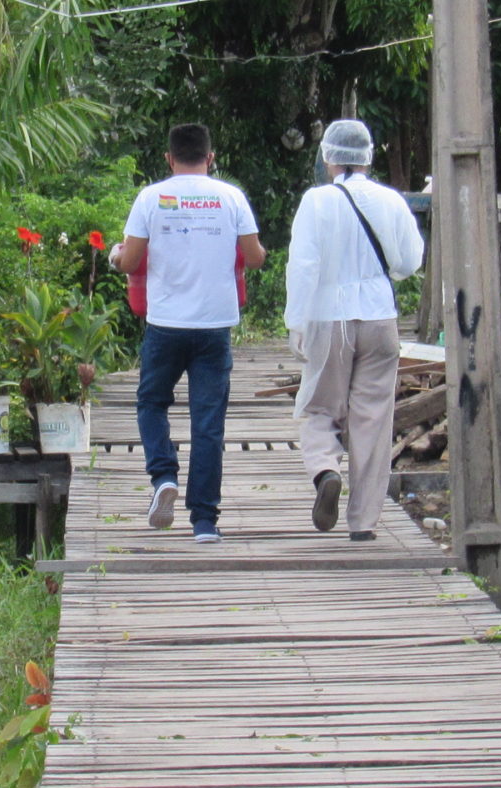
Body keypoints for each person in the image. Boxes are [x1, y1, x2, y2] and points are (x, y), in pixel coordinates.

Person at [111, 124, 264, 544]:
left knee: (151, 402)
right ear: (210, 158)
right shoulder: (232, 197)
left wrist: (115, 256)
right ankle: (204, 521)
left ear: (169, 158)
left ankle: (163, 476)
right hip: (215, 326)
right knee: (208, 422)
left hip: (165, 325)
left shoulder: (151, 198)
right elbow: (253, 259)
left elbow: (130, 262)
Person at [283, 118, 424, 539]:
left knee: (316, 406)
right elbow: (408, 263)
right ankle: (363, 522)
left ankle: (326, 469)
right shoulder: (392, 200)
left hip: (330, 317)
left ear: (327, 156)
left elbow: (303, 266)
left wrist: (297, 322)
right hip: (380, 318)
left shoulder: (316, 201)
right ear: (368, 156)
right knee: (373, 420)